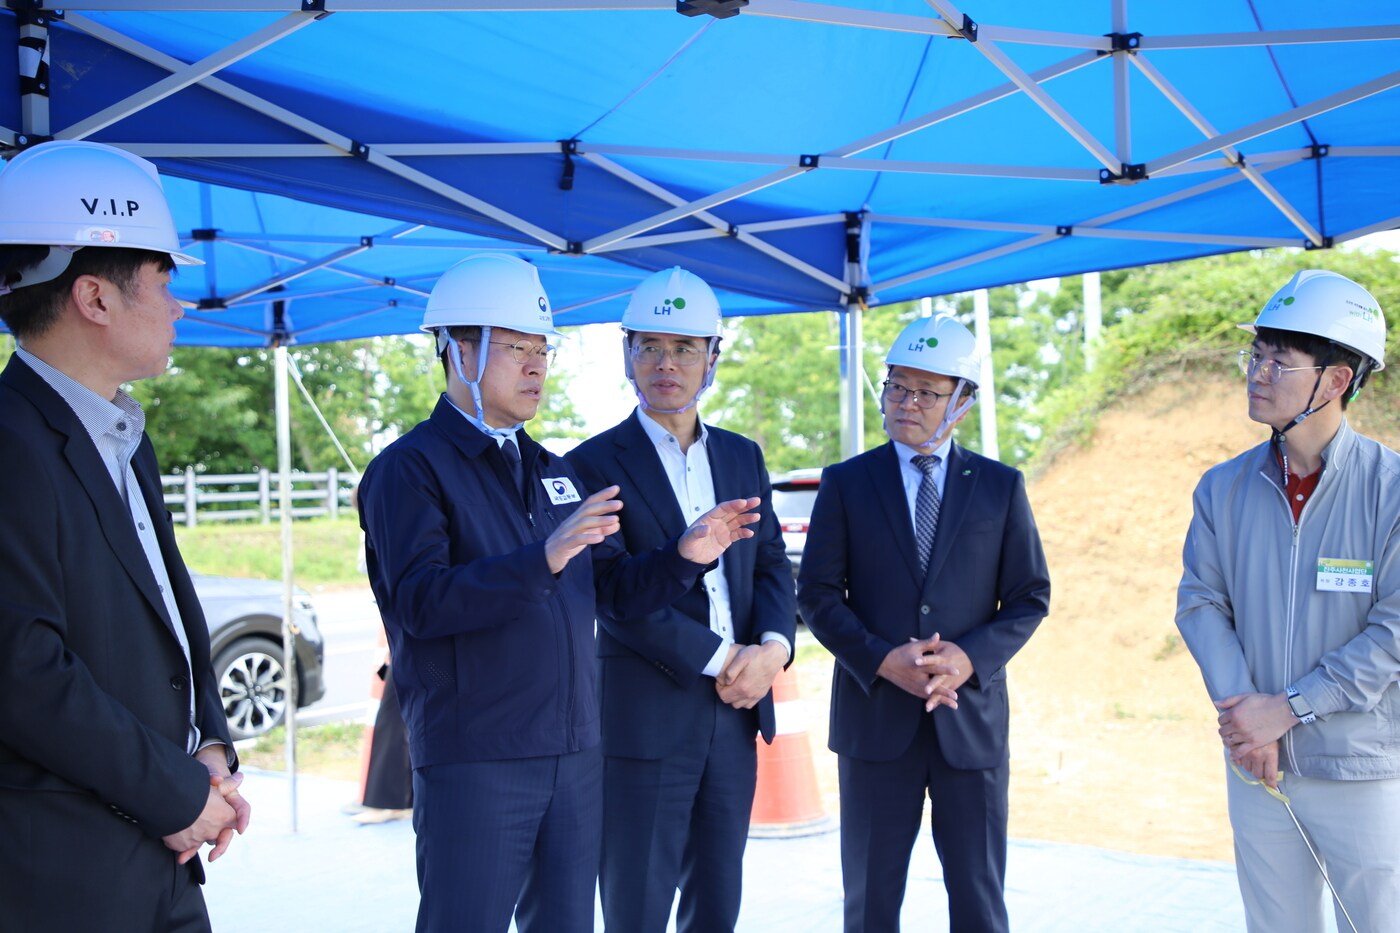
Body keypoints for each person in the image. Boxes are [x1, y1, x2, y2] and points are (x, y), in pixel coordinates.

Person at [355, 252, 762, 933]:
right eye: (516, 348)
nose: (537, 366)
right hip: (479, 756)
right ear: (459, 349)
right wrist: (542, 556)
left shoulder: (551, 470)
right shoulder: (409, 469)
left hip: (574, 753)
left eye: (543, 349)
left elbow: (612, 590)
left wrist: (682, 558)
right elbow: (422, 603)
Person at [0, 140, 249, 932]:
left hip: (162, 856)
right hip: (69, 873)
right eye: (165, 280)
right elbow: (24, 671)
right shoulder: (11, 442)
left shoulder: (123, 435)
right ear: (95, 298)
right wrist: (175, 793)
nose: (180, 304)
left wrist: (209, 741)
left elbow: (171, 610)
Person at [798, 313, 1050, 933]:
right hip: (875, 724)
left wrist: (968, 660)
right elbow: (818, 594)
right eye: (897, 387)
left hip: (970, 726)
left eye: (929, 392)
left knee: (979, 900)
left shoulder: (999, 487)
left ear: (963, 402)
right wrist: (881, 659)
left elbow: (1029, 596)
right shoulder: (846, 484)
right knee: (870, 899)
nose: (908, 403)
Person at [566, 266, 796, 931]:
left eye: (685, 348)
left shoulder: (743, 456)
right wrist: (725, 657)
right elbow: (610, 593)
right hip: (646, 720)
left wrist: (773, 652)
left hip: (737, 715)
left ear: (712, 358)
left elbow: (772, 567)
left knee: (717, 904)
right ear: (627, 354)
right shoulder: (589, 464)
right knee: (637, 905)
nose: (666, 363)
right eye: (651, 347)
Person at [1176, 269, 1400, 932]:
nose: (1259, 371)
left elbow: (1393, 632)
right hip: (1259, 770)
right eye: (1256, 354)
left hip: (1358, 766)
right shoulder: (1222, 489)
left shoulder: (1390, 489)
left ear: (1336, 380)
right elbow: (1201, 604)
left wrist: (1290, 708)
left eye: (1280, 359)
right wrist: (1249, 721)